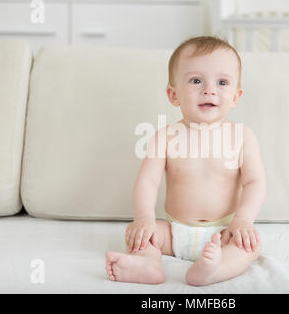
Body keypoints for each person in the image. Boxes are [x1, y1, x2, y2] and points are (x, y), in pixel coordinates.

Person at [105, 36, 266, 286]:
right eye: (196, 80)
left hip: (223, 232)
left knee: (250, 246)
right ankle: (148, 265)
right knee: (140, 235)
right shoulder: (165, 136)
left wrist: (243, 220)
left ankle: (214, 270)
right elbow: (148, 181)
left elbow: (255, 182)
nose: (209, 90)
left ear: (236, 96)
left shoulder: (242, 137)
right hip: (174, 232)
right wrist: (144, 218)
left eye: (222, 82)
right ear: (173, 94)